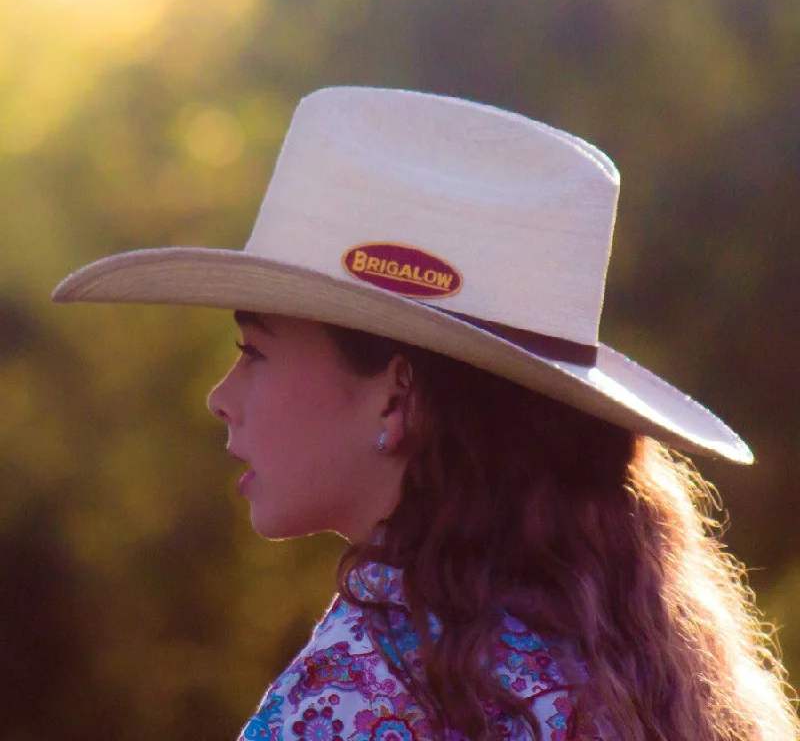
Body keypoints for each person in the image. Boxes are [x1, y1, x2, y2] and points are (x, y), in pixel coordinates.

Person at [53, 88, 798, 740]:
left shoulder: (355, 699)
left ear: (395, 395)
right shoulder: (633, 671)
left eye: (255, 352)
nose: (220, 397)